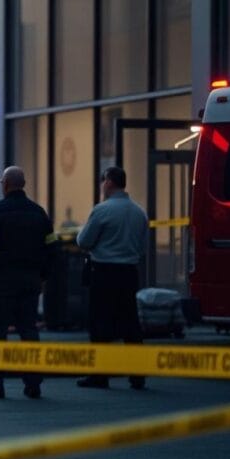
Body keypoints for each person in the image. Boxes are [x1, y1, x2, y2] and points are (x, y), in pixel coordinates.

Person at [0, 166, 55, 400]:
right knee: (28, 330)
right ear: (23, 184)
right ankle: (33, 383)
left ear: (6, 185)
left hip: (2, 281)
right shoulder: (39, 213)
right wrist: (43, 275)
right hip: (30, 280)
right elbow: (52, 248)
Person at [76, 166, 149, 390]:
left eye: (103, 181)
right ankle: (137, 375)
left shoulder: (102, 210)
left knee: (100, 324)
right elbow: (143, 247)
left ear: (108, 182)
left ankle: (100, 375)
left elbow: (84, 241)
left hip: (104, 272)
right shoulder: (139, 212)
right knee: (130, 324)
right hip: (128, 273)